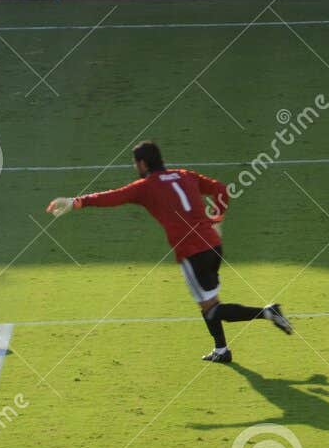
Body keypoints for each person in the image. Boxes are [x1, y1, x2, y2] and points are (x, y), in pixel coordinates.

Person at [45, 142, 294, 364]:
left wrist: (77, 201)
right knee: (209, 302)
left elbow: (113, 197)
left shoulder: (145, 187)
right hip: (213, 245)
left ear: (142, 163)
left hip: (192, 253)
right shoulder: (183, 175)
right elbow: (221, 189)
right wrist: (217, 216)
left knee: (211, 309)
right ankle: (221, 349)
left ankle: (268, 312)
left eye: (135, 163)